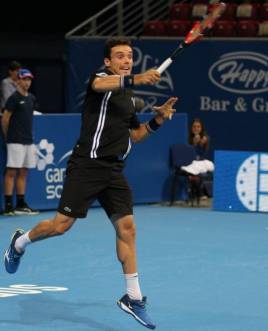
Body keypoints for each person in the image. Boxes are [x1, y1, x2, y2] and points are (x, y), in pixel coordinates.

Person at [4, 37, 177, 330]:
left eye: (129, 57)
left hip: (114, 171)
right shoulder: (101, 80)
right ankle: (20, 242)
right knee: (61, 226)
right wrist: (136, 78)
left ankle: (133, 298)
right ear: (108, 62)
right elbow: (101, 86)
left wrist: (157, 121)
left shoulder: (127, 96)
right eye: (119, 57)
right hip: (86, 166)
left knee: (128, 229)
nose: (126, 60)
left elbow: (135, 136)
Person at [1, 68, 39, 216]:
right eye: (24, 79)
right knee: (11, 172)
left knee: (24, 172)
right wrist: (7, 137)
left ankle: (21, 204)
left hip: (28, 140)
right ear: (18, 81)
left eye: (29, 80)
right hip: (15, 140)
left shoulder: (31, 98)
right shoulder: (14, 98)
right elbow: (5, 119)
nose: (27, 82)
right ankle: (9, 206)